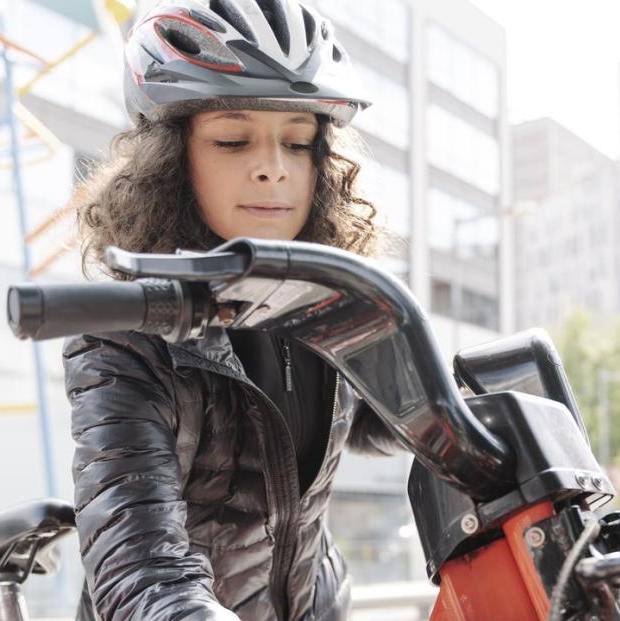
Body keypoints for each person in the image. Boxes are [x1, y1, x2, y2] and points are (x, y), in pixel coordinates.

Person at [63, 1, 403, 619]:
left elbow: (404, 417)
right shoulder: (124, 331)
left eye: (297, 142)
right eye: (231, 139)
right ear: (169, 161)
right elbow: (138, 568)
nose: (273, 168)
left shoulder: (326, 298)